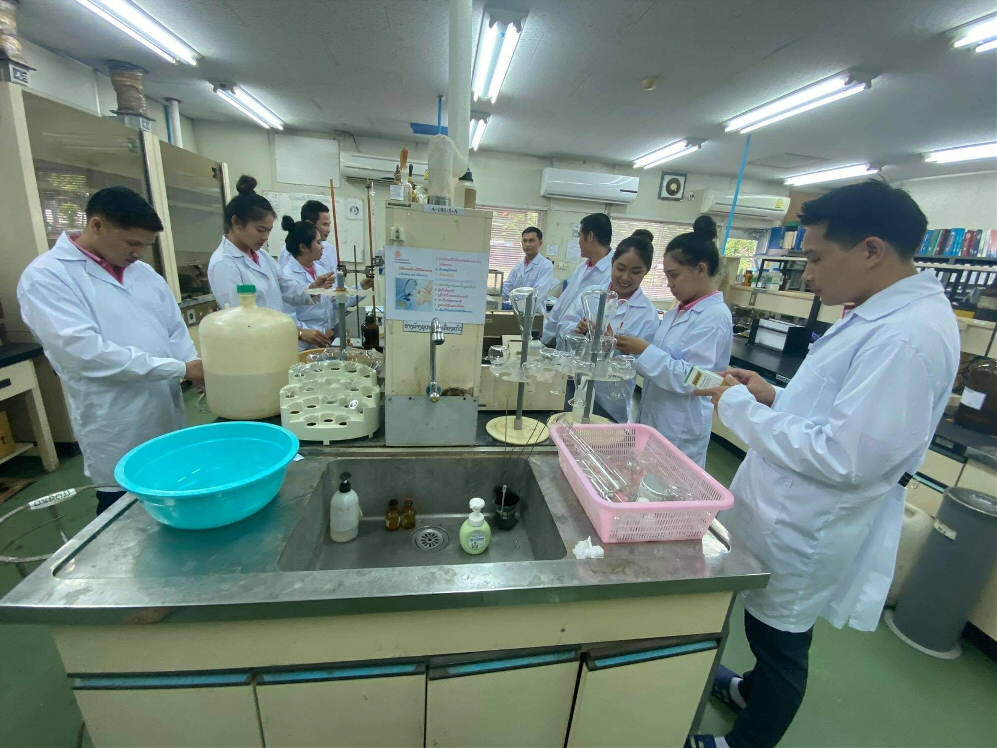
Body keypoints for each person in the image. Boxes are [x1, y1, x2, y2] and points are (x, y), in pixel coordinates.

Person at [688, 182, 960, 748]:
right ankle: (746, 692)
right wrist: (772, 395)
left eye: (815, 258)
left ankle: (748, 742)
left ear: (870, 250)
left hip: (808, 523)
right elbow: (837, 412)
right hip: (787, 506)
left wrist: (736, 406)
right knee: (767, 627)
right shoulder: (877, 315)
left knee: (781, 642)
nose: (807, 275)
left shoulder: (906, 337)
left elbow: (845, 456)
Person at [17, 187, 204, 515]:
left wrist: (193, 363)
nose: (139, 254)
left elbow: (173, 329)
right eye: (132, 243)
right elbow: (83, 353)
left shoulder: (143, 274)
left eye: (145, 245)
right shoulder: (47, 276)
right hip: (114, 420)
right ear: (96, 225)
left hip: (165, 410)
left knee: (172, 494)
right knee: (124, 510)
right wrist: (180, 369)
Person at [615, 215, 732, 467]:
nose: (669, 284)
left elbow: (695, 379)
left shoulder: (714, 317)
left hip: (680, 427)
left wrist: (644, 350)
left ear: (700, 270)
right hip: (656, 416)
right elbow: (664, 361)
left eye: (674, 275)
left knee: (669, 485)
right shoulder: (678, 311)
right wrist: (632, 349)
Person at [207, 175, 333, 348]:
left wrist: (313, 288)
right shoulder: (224, 264)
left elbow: (288, 289)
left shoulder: (263, 257)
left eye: (269, 231)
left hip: (276, 342)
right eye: (260, 230)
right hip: (253, 347)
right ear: (236, 222)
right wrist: (298, 332)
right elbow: (241, 321)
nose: (265, 237)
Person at [556, 235, 660, 422]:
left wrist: (614, 345)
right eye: (620, 268)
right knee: (571, 427)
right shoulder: (591, 294)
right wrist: (577, 329)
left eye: (635, 271)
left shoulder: (647, 313)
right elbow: (563, 326)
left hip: (611, 399)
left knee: (604, 434)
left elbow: (644, 363)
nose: (625, 277)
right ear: (612, 263)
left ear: (646, 271)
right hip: (576, 385)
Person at [279, 216, 362, 351]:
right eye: (318, 242)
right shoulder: (288, 276)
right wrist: (321, 331)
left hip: (325, 340)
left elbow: (335, 302)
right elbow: (288, 319)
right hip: (302, 346)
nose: (322, 247)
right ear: (303, 247)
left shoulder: (320, 271)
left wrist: (362, 287)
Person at [541, 213, 614, 345]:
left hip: (581, 346)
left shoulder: (611, 274)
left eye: (580, 236)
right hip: (563, 340)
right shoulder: (583, 267)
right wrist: (541, 339)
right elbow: (562, 304)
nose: (578, 242)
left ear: (590, 236)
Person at [502, 226, 555, 305]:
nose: (527, 244)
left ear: (540, 243)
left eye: (531, 241)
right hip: (516, 310)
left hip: (534, 311)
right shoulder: (518, 267)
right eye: (525, 241)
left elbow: (538, 294)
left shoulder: (546, 266)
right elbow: (507, 289)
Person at [278, 199, 337, 269]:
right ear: (310, 223)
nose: (328, 230)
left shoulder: (330, 249)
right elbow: (284, 274)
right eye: (325, 225)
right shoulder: (289, 250)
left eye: (329, 225)